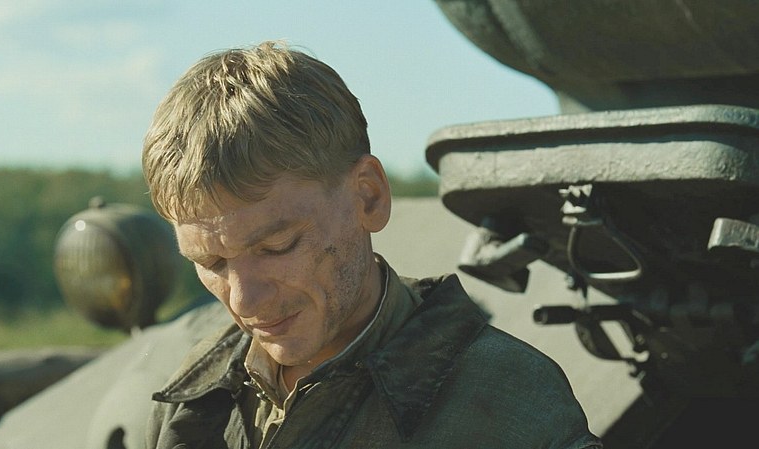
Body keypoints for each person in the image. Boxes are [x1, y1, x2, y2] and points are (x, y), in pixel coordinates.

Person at [141, 40, 601, 449]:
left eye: (277, 245)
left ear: (368, 197)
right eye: (212, 262)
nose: (244, 301)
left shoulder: (507, 403)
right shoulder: (197, 395)